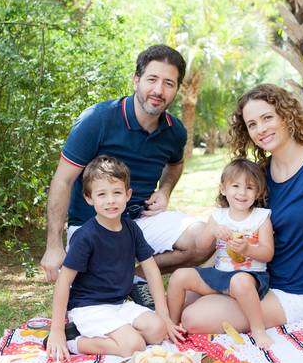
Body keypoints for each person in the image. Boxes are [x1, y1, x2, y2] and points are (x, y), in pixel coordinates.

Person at [180, 84, 303, 338]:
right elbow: (238, 232)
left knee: (194, 318)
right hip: (258, 279)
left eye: (267, 118)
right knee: (182, 294)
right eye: (252, 124)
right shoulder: (260, 176)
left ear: (286, 115)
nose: (260, 129)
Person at [40, 45, 214, 307]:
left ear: (177, 89)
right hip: (93, 224)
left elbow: (175, 165)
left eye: (168, 83)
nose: (158, 90)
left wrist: (164, 191)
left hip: (140, 220)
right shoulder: (97, 120)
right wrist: (54, 245)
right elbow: (62, 180)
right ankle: (118, 281)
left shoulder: (174, 131)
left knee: (206, 239)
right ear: (136, 80)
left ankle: (136, 278)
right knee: (97, 293)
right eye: (152, 79)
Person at [46, 156, 184, 360]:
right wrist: (56, 329)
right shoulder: (85, 236)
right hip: (89, 307)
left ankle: (119, 333)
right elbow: (64, 282)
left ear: (128, 195)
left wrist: (164, 315)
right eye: (102, 194)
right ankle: (74, 340)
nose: (110, 200)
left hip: (119, 304)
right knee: (133, 346)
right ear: (89, 198)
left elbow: (151, 270)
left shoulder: (131, 228)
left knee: (158, 330)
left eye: (117, 192)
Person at [166, 158, 275, 348]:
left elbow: (268, 253)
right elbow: (200, 246)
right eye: (235, 186)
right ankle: (171, 325)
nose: (242, 193)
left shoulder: (261, 217)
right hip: (219, 275)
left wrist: (248, 249)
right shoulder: (218, 216)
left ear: (258, 192)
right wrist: (212, 231)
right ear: (224, 189)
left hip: (249, 278)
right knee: (179, 276)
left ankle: (258, 329)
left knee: (239, 281)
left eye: (249, 187)